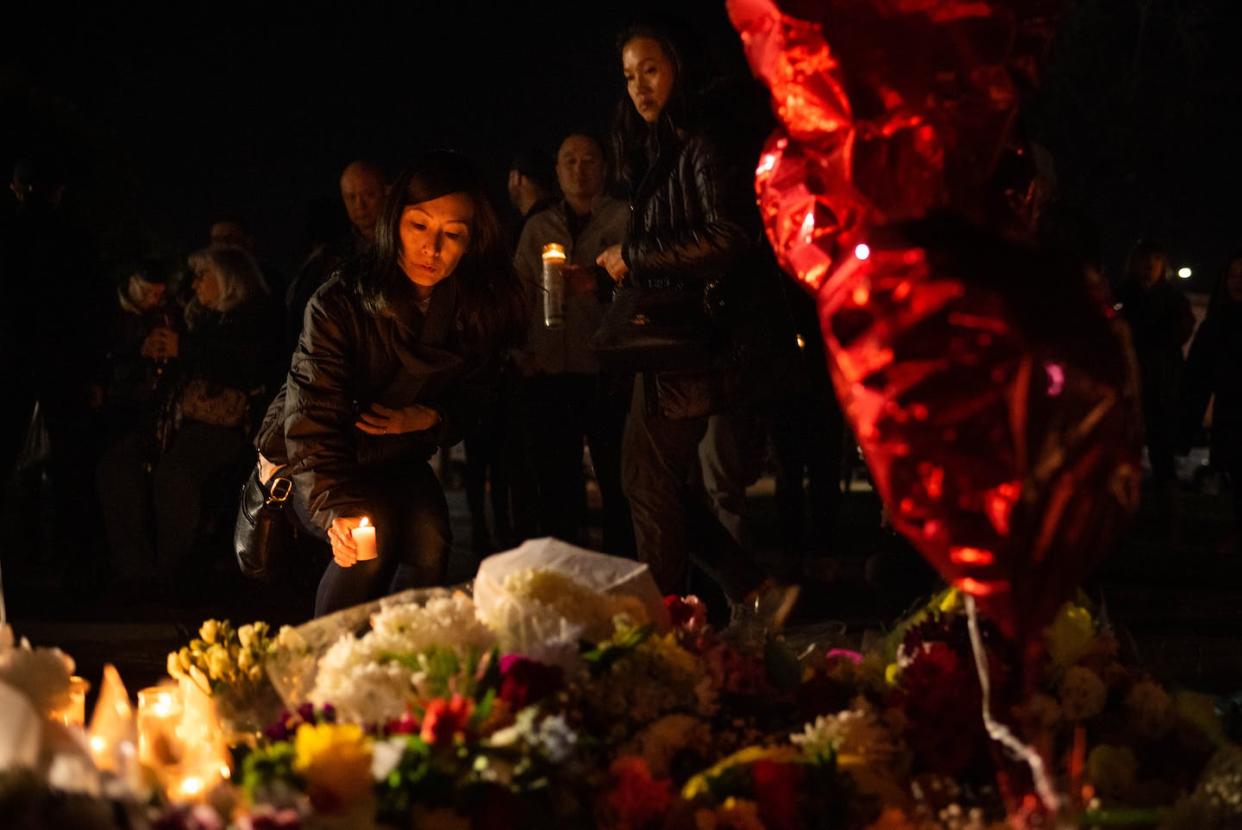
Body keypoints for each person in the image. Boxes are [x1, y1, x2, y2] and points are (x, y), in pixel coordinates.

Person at [255, 151, 526, 616]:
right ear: (394, 220)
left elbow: (480, 391)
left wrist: (434, 417)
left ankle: (400, 657)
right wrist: (333, 506)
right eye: (419, 226)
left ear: (473, 240)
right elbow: (309, 415)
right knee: (366, 540)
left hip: (392, 454)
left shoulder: (473, 308)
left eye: (452, 234)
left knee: (431, 539)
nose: (432, 248)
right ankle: (330, 670)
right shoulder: (339, 302)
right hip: (321, 454)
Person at [597, 24, 792, 615]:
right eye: (629, 76)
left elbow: (730, 235)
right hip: (670, 343)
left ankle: (666, 620)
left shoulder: (702, 143)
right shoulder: (667, 147)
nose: (639, 87)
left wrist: (632, 256)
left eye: (650, 70)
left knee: (649, 482)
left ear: (679, 66)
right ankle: (750, 587)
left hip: (693, 340)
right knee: (655, 481)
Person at [513, 131, 633, 552]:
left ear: (604, 167)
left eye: (588, 160)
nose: (579, 170)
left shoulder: (624, 219)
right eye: (569, 161)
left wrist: (599, 284)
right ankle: (565, 577)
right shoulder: (539, 227)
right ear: (557, 171)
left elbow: (643, 289)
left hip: (607, 371)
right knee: (556, 486)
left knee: (619, 483)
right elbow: (519, 295)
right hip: (551, 372)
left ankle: (621, 577)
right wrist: (521, 354)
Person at [150, 245, 283, 593]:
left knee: (175, 473)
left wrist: (185, 350)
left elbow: (246, 366)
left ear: (228, 280)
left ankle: (173, 572)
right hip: (184, 421)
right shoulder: (198, 319)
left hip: (234, 425)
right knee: (118, 466)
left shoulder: (254, 319)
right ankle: (136, 569)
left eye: (203, 276)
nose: (195, 285)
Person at [1117, 239, 1195, 530]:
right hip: (1129, 385)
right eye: (1144, 261)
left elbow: (1180, 332)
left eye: (1155, 261)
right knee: (1124, 455)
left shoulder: (1173, 300)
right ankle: (1124, 518)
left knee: (1163, 457)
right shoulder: (1123, 296)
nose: (1149, 267)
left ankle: (1170, 521)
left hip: (1161, 386)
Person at [285, 160, 387, 353]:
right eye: (351, 197)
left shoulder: (408, 247)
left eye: (369, 195)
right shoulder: (330, 256)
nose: (361, 205)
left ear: (387, 192)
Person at [1183, 253, 1242, 551]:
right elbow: (1199, 371)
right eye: (1233, 275)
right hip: (1231, 409)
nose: (1237, 282)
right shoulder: (1218, 321)